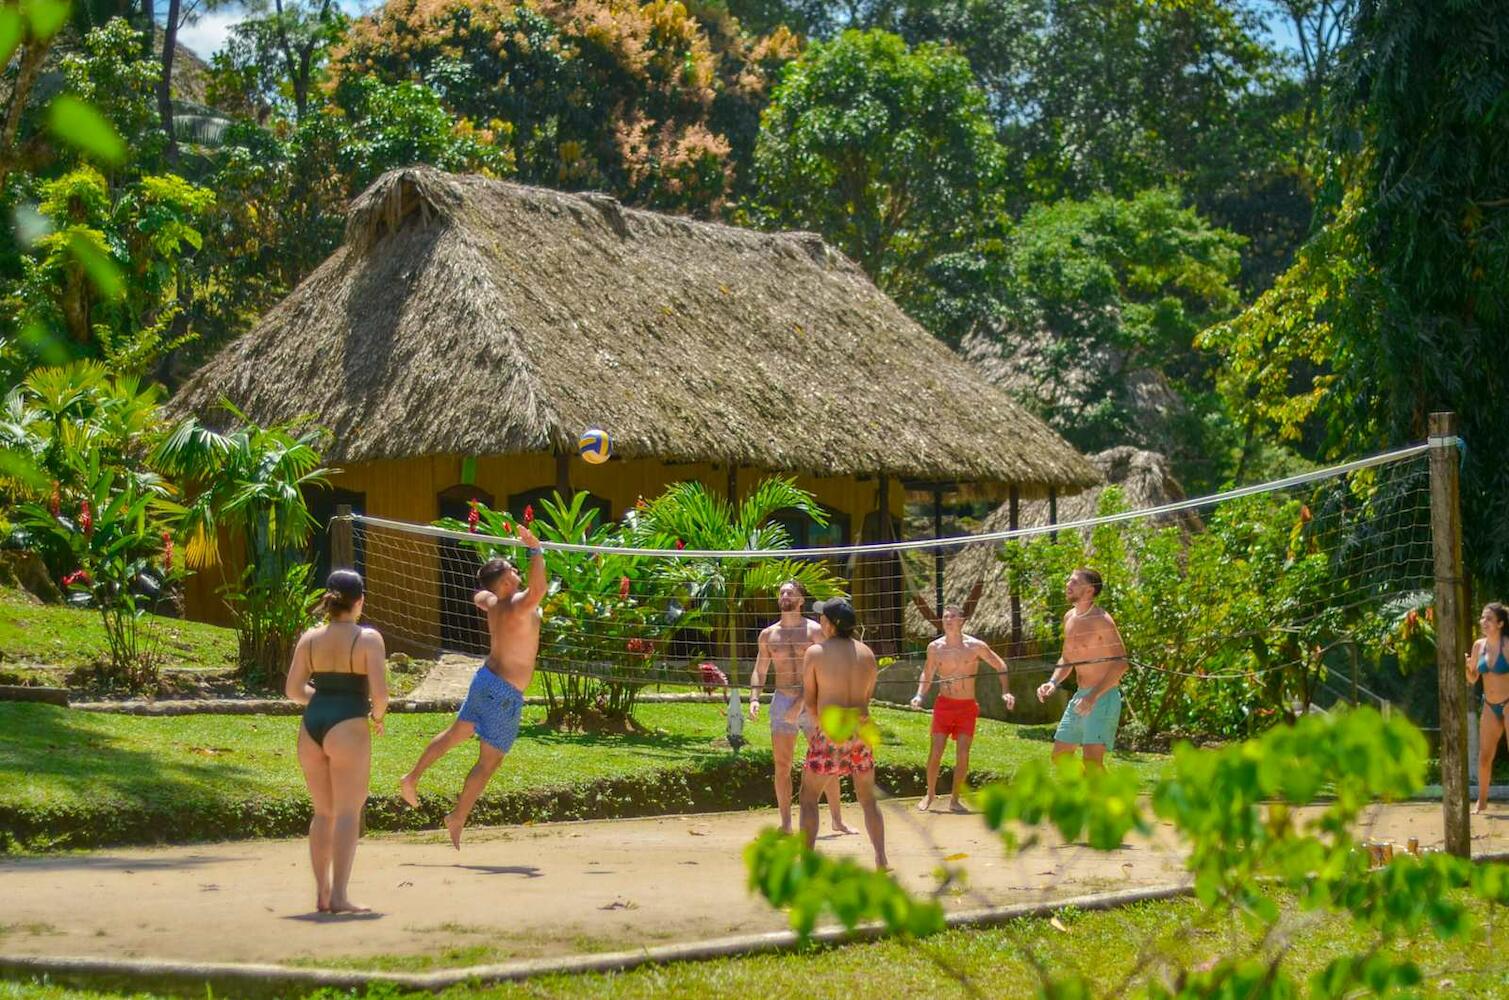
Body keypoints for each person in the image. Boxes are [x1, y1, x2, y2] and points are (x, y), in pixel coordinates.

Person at [399, 524, 547, 848]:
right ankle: (457, 817)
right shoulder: (519, 604)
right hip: (504, 693)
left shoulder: (493, 603)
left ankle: (411, 778)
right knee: (489, 761)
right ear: (507, 581)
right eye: (511, 568)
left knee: (456, 734)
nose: (516, 569)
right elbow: (537, 591)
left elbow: (479, 594)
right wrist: (535, 549)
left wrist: (486, 588)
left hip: (485, 681)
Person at [285, 569, 388, 914]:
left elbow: (293, 690)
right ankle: (341, 895)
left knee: (323, 812)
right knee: (347, 811)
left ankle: (322, 893)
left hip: (312, 723)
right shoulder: (368, 638)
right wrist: (377, 717)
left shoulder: (310, 637)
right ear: (359, 601)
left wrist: (323, 697)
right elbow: (381, 695)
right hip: (348, 722)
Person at [749, 581, 854, 835]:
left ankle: (837, 820)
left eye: (790, 593)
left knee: (826, 762)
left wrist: (802, 703)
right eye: (782, 592)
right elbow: (760, 670)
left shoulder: (815, 631)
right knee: (782, 765)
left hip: (813, 700)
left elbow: (828, 669)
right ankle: (785, 824)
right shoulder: (768, 635)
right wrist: (754, 698)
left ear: (800, 600)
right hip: (782, 700)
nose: (785, 596)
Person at [799, 597, 887, 869]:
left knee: (808, 796)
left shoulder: (816, 652)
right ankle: (881, 859)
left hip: (832, 729)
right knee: (868, 798)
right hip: (860, 728)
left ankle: (807, 862)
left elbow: (810, 700)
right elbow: (867, 695)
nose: (819, 622)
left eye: (822, 618)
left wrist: (819, 732)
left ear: (829, 623)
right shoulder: (867, 654)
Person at [911, 605, 1014, 812]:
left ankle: (955, 799)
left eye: (953, 616)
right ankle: (929, 794)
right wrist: (920, 695)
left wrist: (1005, 691)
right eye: (945, 616)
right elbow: (928, 673)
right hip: (944, 705)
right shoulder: (935, 648)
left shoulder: (975, 646)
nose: (948, 620)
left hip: (966, 707)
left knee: (963, 754)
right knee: (936, 751)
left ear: (962, 620)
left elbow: (1000, 665)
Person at [1035, 568, 1128, 770]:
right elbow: (1067, 657)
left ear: (1089, 590)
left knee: (1092, 763)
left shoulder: (1102, 620)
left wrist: (1093, 696)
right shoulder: (1069, 617)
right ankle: (1087, 793)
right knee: (1060, 756)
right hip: (1081, 696)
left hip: (1102, 696)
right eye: (1069, 580)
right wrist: (1052, 682)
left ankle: (1109, 800)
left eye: (1075, 582)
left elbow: (1121, 663)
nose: (1068, 584)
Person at [1466, 602, 1509, 814]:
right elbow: (1473, 679)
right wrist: (1468, 670)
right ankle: (1482, 802)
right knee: (1484, 757)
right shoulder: (1477, 646)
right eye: (1483, 618)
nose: (1484, 622)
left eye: (1489, 619)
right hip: (1490, 706)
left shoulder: (1507, 645)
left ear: (1500, 623)